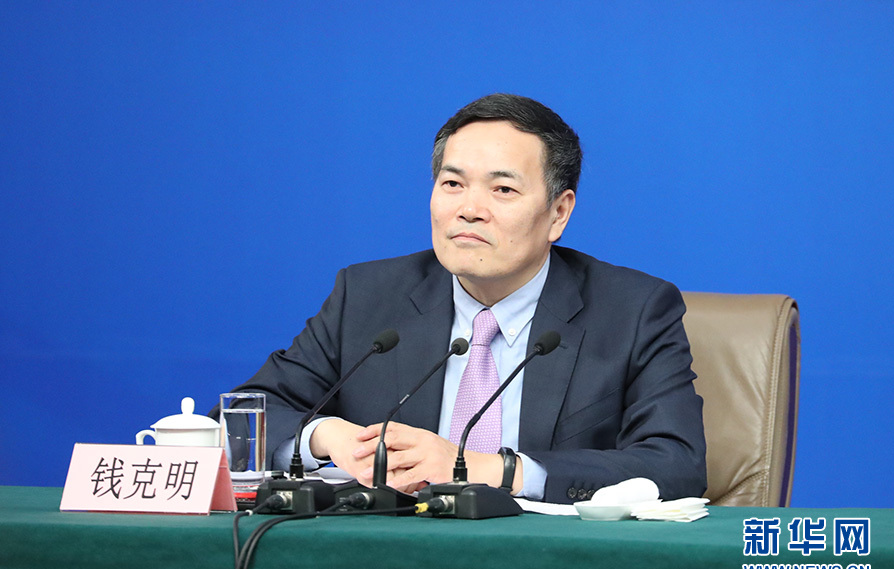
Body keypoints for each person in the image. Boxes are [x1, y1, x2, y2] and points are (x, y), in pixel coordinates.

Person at [230, 93, 706, 503]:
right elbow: (243, 419)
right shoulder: (367, 296)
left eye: (503, 189)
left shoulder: (634, 310)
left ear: (558, 213)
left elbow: (676, 464)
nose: (469, 210)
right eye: (452, 184)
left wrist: (491, 469)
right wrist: (328, 436)